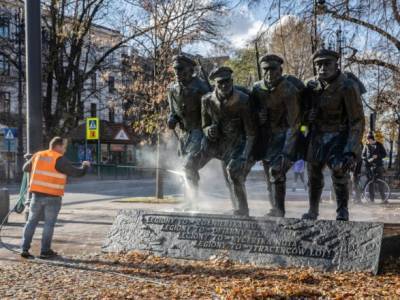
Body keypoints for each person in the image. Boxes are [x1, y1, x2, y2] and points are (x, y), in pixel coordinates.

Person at [301, 49, 365, 221]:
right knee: (313, 172)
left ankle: (342, 210)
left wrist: (351, 150)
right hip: (317, 136)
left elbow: (357, 121)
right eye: (318, 64)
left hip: (340, 136)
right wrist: (308, 118)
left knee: (339, 170)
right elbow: (300, 119)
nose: (322, 68)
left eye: (326, 64)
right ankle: (312, 210)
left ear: (336, 65)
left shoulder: (347, 86)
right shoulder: (310, 85)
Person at [197, 66, 256, 216]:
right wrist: (208, 130)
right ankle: (193, 201)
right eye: (220, 82)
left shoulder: (243, 100)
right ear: (215, 84)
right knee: (190, 164)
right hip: (218, 144)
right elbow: (204, 125)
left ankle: (243, 209)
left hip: (239, 144)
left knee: (233, 171)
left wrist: (244, 156)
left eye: (227, 81)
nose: (224, 85)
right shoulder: (207, 100)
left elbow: (251, 133)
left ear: (232, 81)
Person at [20, 137, 90, 259]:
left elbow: (25, 168)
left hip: (36, 196)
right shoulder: (59, 159)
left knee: (31, 222)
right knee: (49, 224)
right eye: (64, 146)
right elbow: (76, 173)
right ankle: (45, 251)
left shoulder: (38, 155)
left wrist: (33, 161)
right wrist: (85, 166)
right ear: (58, 146)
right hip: (53, 197)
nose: (65, 149)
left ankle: (24, 249)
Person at [251, 54, 302, 217]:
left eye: (273, 69)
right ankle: (274, 208)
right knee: (269, 176)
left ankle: (279, 210)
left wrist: (287, 152)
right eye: (265, 69)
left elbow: (294, 124)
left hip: (284, 137)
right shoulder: (257, 88)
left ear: (280, 70)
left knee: (276, 171)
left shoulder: (289, 89)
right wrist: (258, 116)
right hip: (266, 139)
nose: (269, 73)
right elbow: (251, 112)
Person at [167, 54, 210, 201]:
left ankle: (193, 202)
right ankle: (191, 201)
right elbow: (173, 112)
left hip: (199, 131)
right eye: (175, 70)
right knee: (185, 169)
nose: (177, 73)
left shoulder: (201, 87)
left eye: (181, 70)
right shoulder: (172, 89)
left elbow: (212, 110)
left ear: (190, 70)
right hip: (184, 135)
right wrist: (172, 119)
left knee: (188, 165)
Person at [362, 132, 388, 203]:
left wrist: (377, 156)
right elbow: (363, 155)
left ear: (372, 139)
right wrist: (367, 159)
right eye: (367, 140)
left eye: (369, 140)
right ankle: (371, 199)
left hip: (378, 166)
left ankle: (384, 199)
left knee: (381, 182)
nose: (368, 141)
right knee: (370, 183)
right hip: (369, 167)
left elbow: (384, 154)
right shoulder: (366, 146)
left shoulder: (379, 145)